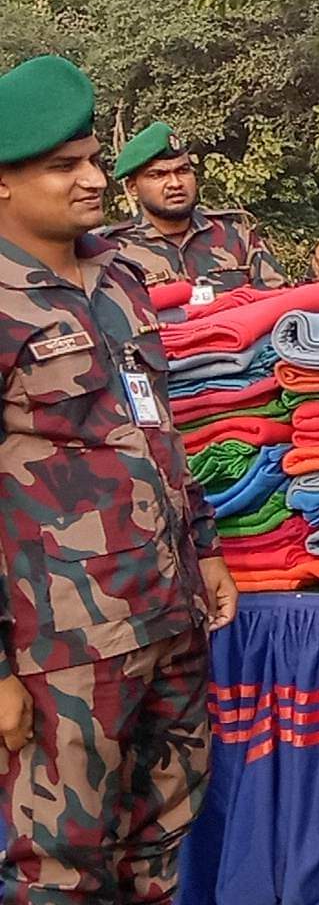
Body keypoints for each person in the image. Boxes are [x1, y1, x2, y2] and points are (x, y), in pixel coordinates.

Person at [0, 55, 238, 901]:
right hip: (62, 635)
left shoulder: (120, 279)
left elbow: (157, 427)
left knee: (161, 833)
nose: (93, 178)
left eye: (94, 159)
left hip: (165, 607)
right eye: (64, 166)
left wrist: (205, 547)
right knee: (62, 858)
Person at [98, 121, 319, 298]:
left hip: (246, 373)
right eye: (158, 175)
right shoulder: (112, 253)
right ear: (132, 187)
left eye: (183, 170)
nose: (175, 183)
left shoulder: (237, 236)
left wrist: (317, 272)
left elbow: (280, 307)